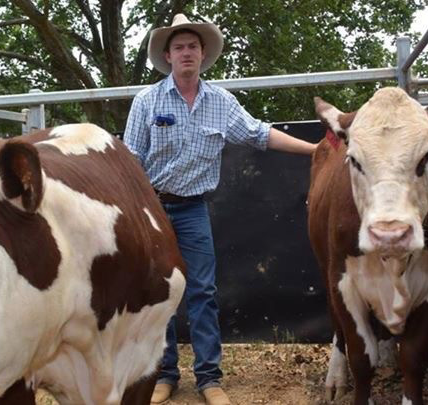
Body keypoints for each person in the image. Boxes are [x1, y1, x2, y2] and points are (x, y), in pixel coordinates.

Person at [123, 13, 317, 405]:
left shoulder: (221, 102)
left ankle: (209, 379)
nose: (186, 52)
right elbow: (129, 159)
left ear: (203, 53)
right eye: (179, 47)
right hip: (152, 211)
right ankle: (165, 374)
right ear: (168, 55)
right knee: (159, 294)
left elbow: (259, 134)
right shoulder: (147, 101)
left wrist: (316, 150)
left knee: (203, 292)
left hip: (193, 209)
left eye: (192, 46)